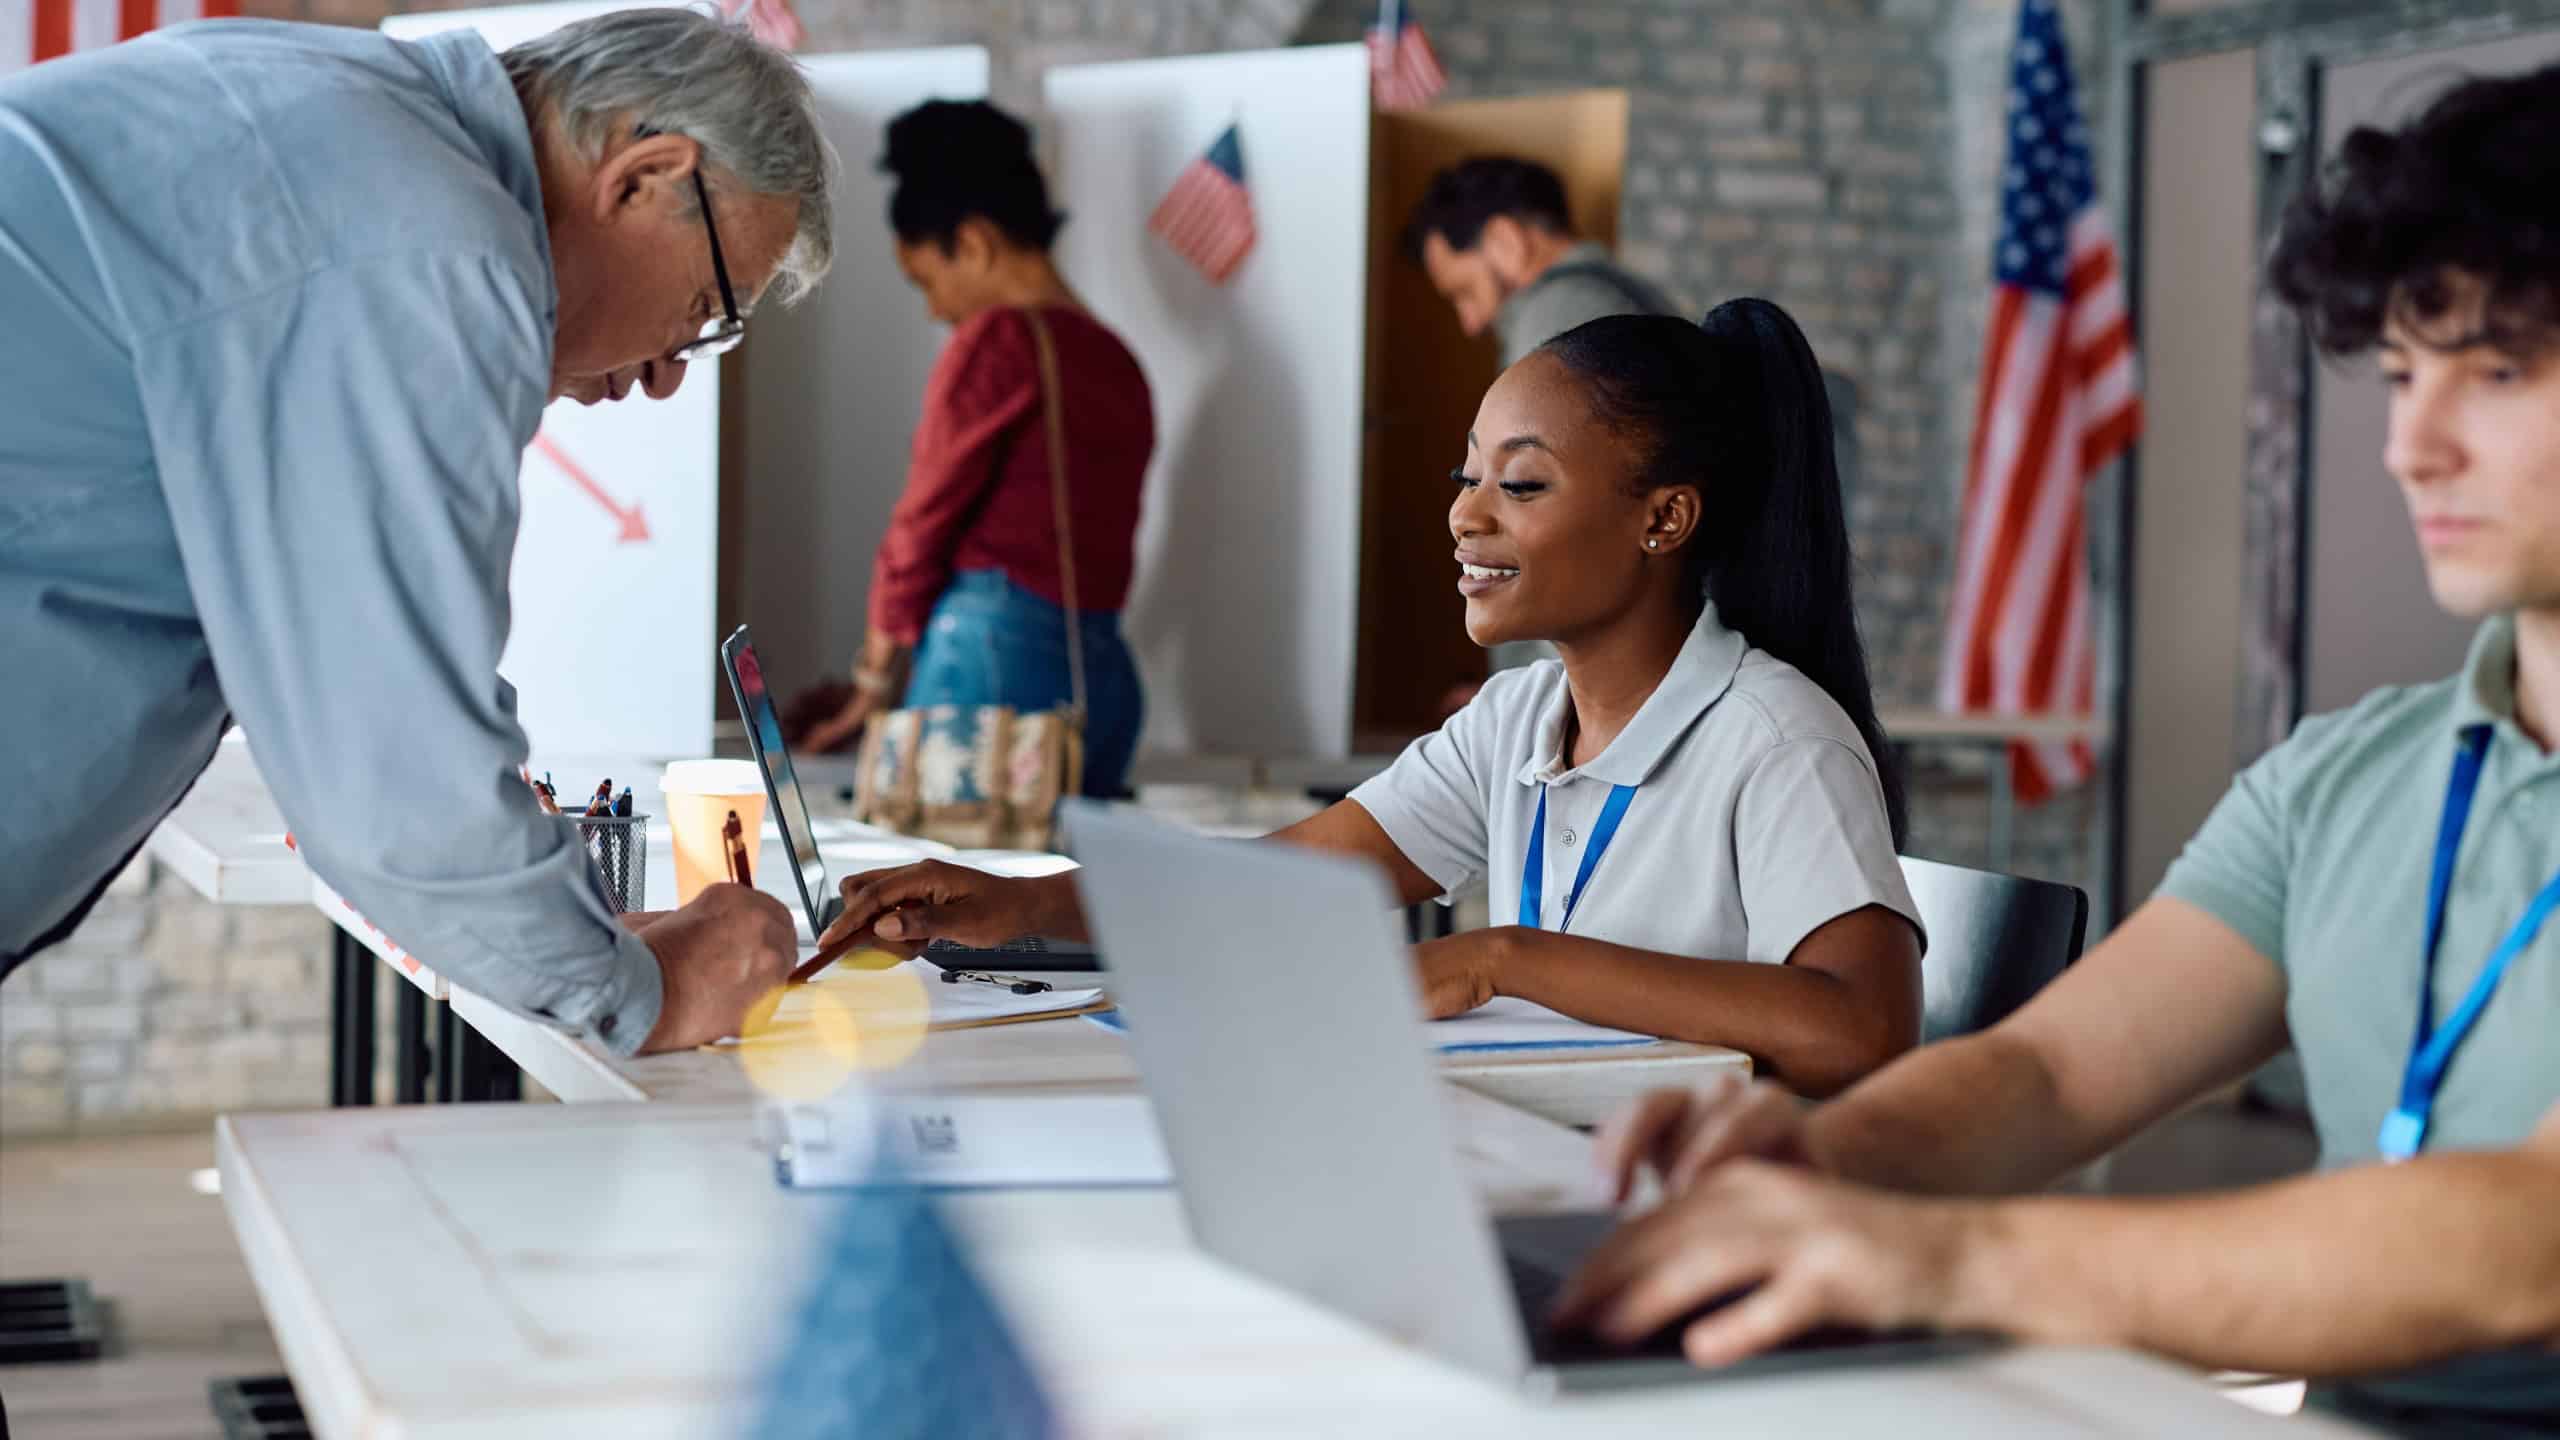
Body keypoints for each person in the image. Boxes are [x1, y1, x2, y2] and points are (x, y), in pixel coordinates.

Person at [1553, 65, 2560, 1438]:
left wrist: (1945, 1259)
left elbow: (2526, 1237)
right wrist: (1824, 1157)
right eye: (2397, 374)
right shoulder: (2353, 776)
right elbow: (2055, 1072)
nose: (2409, 446)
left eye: (2494, 373)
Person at [815, 303, 1926, 1095]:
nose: (1465, 515)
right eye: (1468, 476)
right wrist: (1017, 905)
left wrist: (1508, 954)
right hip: (1529, 1148)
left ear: (1665, 519)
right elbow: (1283, 879)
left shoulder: (1775, 735)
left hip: (1686, 1207)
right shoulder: (1517, 719)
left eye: (1521, 483)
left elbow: (1860, 1027)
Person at [0, 10, 828, 1053]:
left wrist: (577, 929)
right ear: (644, 175)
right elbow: (395, 767)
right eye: (706, 308)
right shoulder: (423, 238)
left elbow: (375, 671)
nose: (669, 376)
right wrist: (646, 987)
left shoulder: (342, 111)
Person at [791, 101, 1154, 800]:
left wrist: (871, 681)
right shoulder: (1117, 359)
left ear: (977, 242)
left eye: (927, 279)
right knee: (1063, 900)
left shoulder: (997, 343)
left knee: (946, 896)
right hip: (1103, 681)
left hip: (992, 672)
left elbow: (922, 521)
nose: (934, 309)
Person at [1402, 155, 1679, 370]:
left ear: (1504, 240)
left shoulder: (1554, 315)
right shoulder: (1620, 292)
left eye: (1465, 292)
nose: (1470, 324)